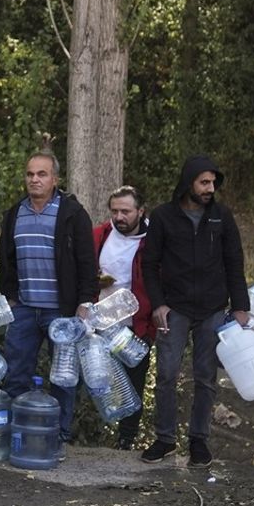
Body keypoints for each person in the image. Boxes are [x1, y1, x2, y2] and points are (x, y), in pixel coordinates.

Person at [140, 155, 248, 469]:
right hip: (175, 308)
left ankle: (199, 442)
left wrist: (240, 307)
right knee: (166, 375)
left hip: (213, 309)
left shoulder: (222, 217)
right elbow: (149, 264)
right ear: (189, 183)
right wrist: (159, 303)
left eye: (213, 183)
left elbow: (234, 262)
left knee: (206, 377)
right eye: (204, 182)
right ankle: (165, 439)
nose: (210, 188)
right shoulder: (163, 217)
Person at [0, 148, 97, 459]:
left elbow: (86, 261)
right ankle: (17, 437)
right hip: (25, 309)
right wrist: (11, 297)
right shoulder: (15, 213)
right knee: (16, 373)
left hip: (61, 312)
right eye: (30, 174)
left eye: (41, 174)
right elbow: (5, 258)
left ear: (55, 179)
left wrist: (84, 303)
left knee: (63, 378)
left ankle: (58, 437)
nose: (34, 179)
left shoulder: (72, 214)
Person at [93, 185, 155, 450]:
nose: (119, 217)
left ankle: (126, 440)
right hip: (100, 322)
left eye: (126, 212)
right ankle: (91, 435)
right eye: (115, 211)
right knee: (98, 380)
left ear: (140, 211)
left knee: (134, 381)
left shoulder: (154, 239)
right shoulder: (100, 235)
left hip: (137, 324)